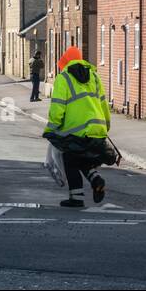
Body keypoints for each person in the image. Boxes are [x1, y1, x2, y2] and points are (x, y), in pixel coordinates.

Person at [43, 46, 114, 207]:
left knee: (70, 159)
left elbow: (58, 108)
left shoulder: (64, 78)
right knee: (83, 158)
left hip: (75, 131)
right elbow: (103, 104)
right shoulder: (94, 77)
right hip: (97, 128)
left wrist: (51, 129)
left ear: (66, 62)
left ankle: (76, 199)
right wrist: (105, 127)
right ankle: (96, 180)